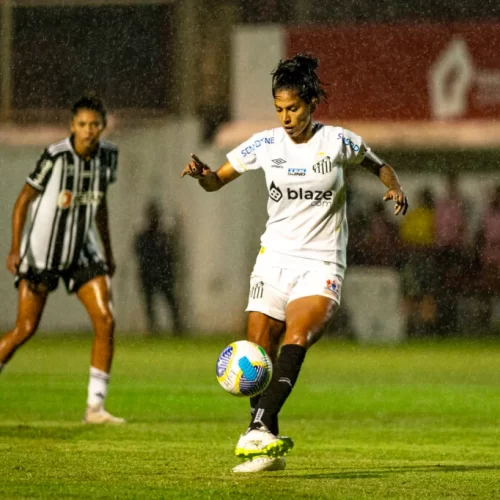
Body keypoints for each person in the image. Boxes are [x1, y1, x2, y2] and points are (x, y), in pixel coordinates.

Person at [181, 54, 408, 473]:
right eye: (279, 109)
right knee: (256, 351)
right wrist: (202, 175)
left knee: (297, 335)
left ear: (311, 105)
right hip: (275, 259)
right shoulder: (265, 144)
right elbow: (217, 181)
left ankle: (260, 426)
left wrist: (394, 189)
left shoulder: (337, 142)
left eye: (294, 108)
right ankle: (265, 447)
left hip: (321, 264)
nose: (286, 117)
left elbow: (381, 167)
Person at [0, 95, 124, 424]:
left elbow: (101, 205)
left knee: (106, 319)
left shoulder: (109, 156)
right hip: (42, 253)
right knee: (25, 329)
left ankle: (95, 408)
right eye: (82, 124)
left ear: (103, 126)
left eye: (94, 124)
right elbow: (23, 200)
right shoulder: (55, 156)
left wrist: (108, 252)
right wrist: (16, 248)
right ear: (72, 126)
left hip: (82, 250)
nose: (88, 131)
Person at [134, 201, 182, 335]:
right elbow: (139, 254)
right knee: (150, 305)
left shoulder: (163, 235)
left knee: (171, 303)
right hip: (149, 275)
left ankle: (177, 329)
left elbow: (171, 255)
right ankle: (153, 329)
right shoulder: (144, 235)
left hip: (163, 275)